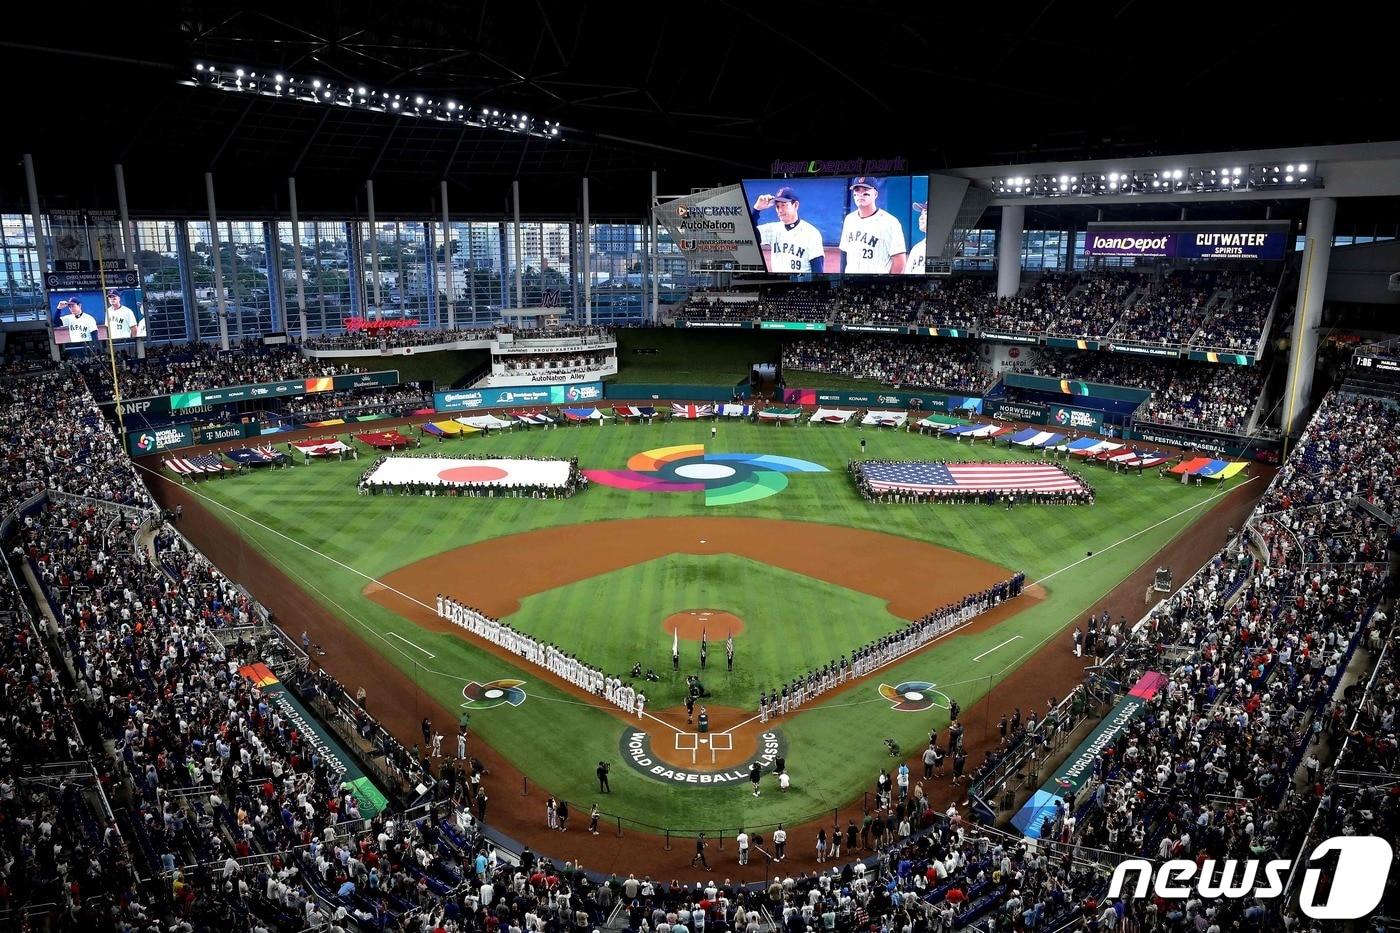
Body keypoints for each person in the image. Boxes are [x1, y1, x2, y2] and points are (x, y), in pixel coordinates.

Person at [751, 186, 826, 273]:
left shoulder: (811, 233)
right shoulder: (773, 229)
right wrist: (756, 209)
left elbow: (818, 272)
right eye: (777, 206)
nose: (780, 210)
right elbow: (748, 235)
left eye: (783, 205)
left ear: (796, 205)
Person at [840, 177, 906, 274]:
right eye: (857, 190)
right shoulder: (849, 219)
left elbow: (900, 262)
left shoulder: (890, 222)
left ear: (875, 194)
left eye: (865, 190)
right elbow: (845, 253)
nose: (860, 194)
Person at [903, 201, 928, 274]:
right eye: (921, 213)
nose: (921, 218)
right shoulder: (916, 249)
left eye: (926, 213)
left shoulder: (946, 249)